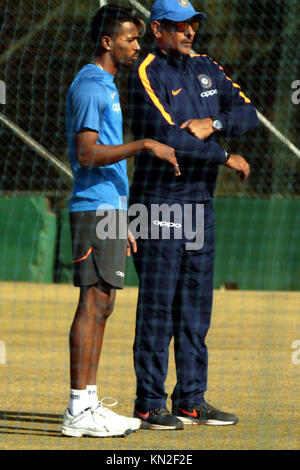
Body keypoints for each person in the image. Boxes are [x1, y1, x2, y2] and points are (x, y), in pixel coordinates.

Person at [128, 0, 259, 430]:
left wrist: (213, 124)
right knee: (158, 305)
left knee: (196, 305)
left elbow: (246, 112)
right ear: (157, 28)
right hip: (159, 202)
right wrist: (224, 156)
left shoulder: (206, 66)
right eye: (180, 26)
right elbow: (167, 137)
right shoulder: (146, 71)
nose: (189, 32)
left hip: (200, 204)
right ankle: (148, 402)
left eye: (193, 25)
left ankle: (191, 399)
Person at [62, 4, 179, 438]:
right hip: (93, 208)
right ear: (108, 42)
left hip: (109, 210)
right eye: (131, 39)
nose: (137, 46)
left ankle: (89, 403)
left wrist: (124, 219)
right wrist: (145, 143)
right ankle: (77, 408)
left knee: (104, 303)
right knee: (92, 305)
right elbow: (88, 154)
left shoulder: (107, 84)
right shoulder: (92, 85)